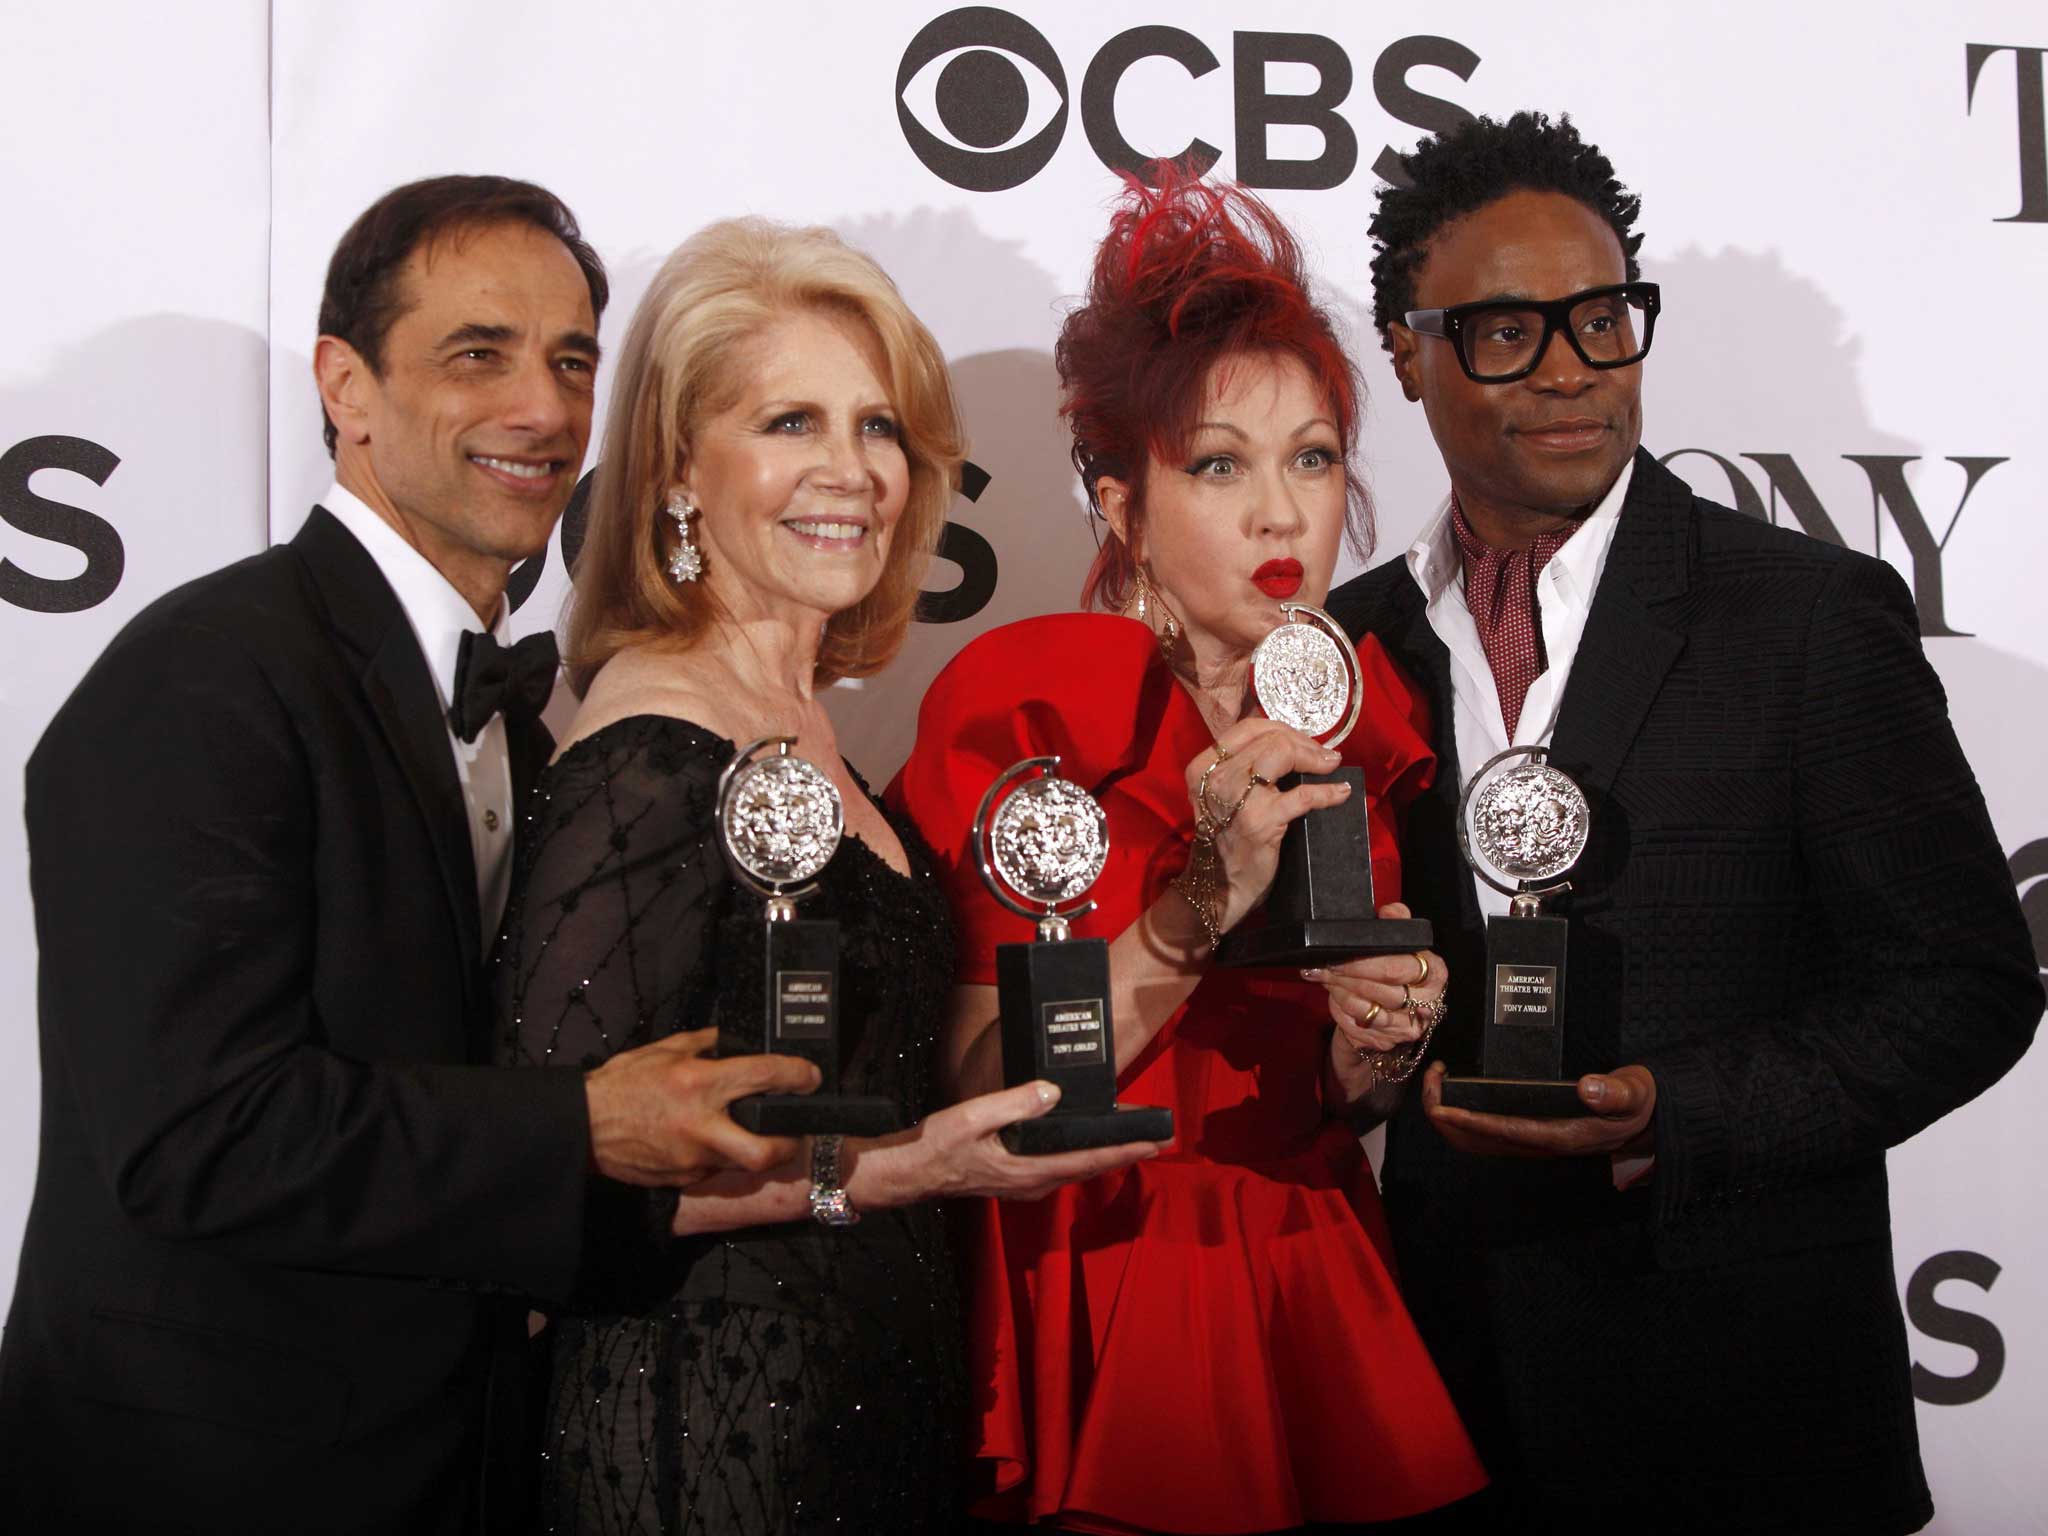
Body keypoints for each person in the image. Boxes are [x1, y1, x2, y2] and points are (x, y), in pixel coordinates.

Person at [0, 176, 826, 1533]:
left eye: (571, 362)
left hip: (450, 1471)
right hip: (207, 1485)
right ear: (348, 385)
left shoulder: (525, 718)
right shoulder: (204, 678)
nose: (546, 410)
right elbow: (198, 1135)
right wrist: (583, 1130)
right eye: (478, 353)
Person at [1326, 111, 2043, 1534]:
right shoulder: (1347, 651)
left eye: (1602, 320)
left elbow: (1967, 987)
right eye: (1506, 333)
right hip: (1441, 1400)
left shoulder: (1806, 619)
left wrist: (1678, 1112)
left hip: (1744, 1405)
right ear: (1408, 354)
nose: (1574, 372)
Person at [498, 216, 1161, 1535]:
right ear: (679, 470)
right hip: (710, 1436)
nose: (851, 470)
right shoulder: (646, 752)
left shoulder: (817, 743)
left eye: (879, 429)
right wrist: (898, 1172)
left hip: (865, 1413)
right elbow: (545, 1187)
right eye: (791, 422)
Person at [890, 171, 1487, 1533]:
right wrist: (1194, 911)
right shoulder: (1035, 702)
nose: (1282, 514)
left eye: (1315, 456)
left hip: (1310, 1258)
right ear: (1119, 501)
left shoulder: (1356, 708)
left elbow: (1326, 1096)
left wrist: (1375, 1040)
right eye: (1220, 464)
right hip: (1107, 1268)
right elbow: (979, 1082)